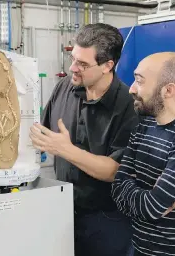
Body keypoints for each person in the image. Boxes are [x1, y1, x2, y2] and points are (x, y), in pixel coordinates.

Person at [30, 23, 138, 256]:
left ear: (108, 65)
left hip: (106, 222)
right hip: (63, 210)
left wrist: (66, 150)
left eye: (83, 64)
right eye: (73, 59)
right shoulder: (64, 88)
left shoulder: (127, 107)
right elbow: (41, 131)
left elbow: (114, 170)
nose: (72, 68)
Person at [111, 52, 175, 256]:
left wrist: (132, 186)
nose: (131, 89)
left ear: (168, 90)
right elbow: (117, 188)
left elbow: (151, 207)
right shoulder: (143, 127)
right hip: (140, 248)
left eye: (139, 81)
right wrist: (143, 193)